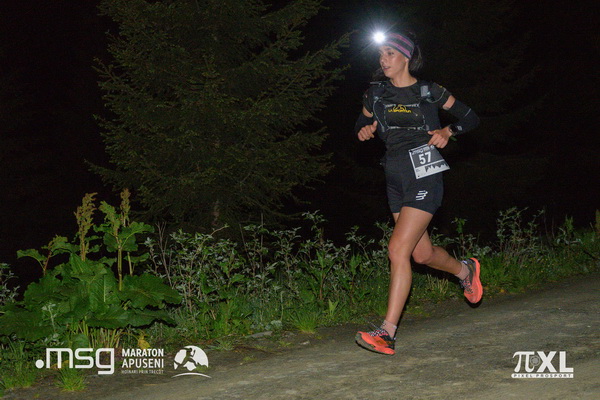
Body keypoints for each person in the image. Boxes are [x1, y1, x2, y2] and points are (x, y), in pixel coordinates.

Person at [354, 31, 482, 355]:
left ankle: (387, 333)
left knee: (397, 249)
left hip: (424, 171)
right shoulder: (375, 94)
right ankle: (465, 270)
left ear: (406, 57)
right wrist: (364, 130)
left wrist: (448, 130)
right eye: (381, 54)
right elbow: (360, 124)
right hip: (394, 175)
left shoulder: (429, 91)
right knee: (421, 255)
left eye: (389, 54)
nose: (383, 60)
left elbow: (470, 117)